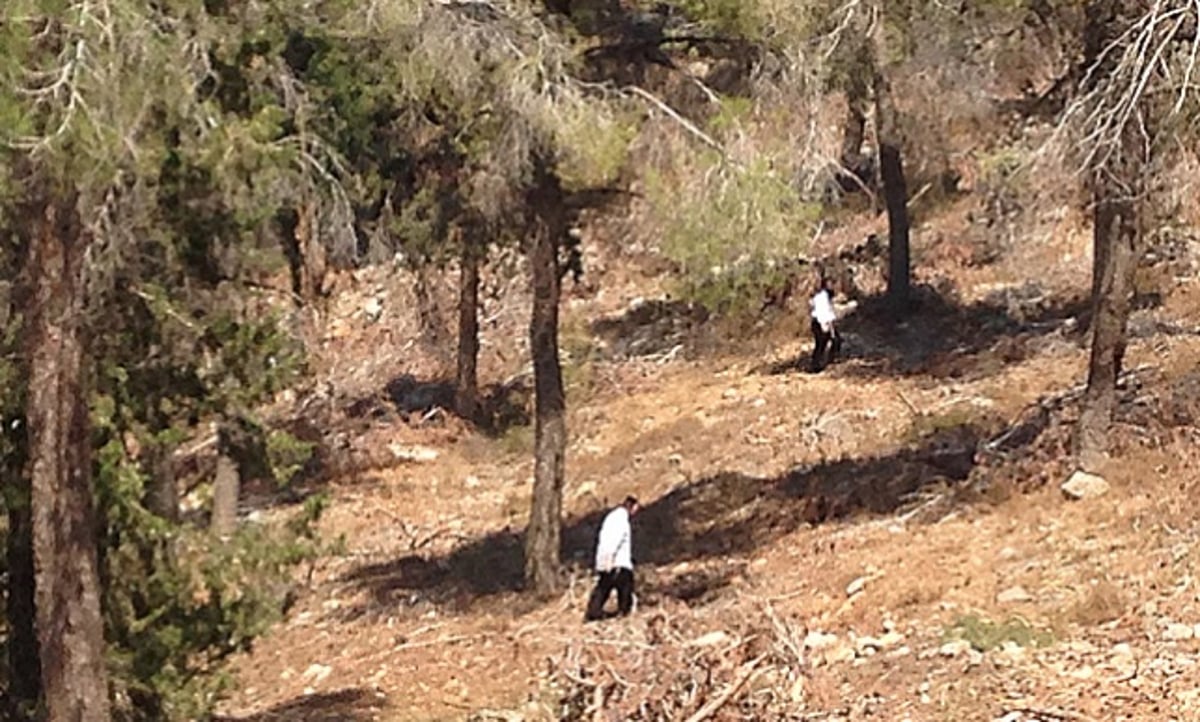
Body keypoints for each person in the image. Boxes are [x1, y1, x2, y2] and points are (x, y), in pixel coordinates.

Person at [585, 496, 639, 621]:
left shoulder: (611, 518)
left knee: (603, 588)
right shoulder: (621, 520)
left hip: (606, 560)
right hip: (618, 562)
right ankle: (624, 615)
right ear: (632, 506)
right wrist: (610, 557)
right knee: (624, 590)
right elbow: (614, 540)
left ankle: (593, 614)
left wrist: (602, 561)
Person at [809, 277, 841, 372]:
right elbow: (821, 312)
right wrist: (825, 325)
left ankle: (827, 361)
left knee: (835, 341)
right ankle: (816, 365)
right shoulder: (821, 297)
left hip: (823, 322)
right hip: (820, 322)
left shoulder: (826, 297)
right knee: (821, 343)